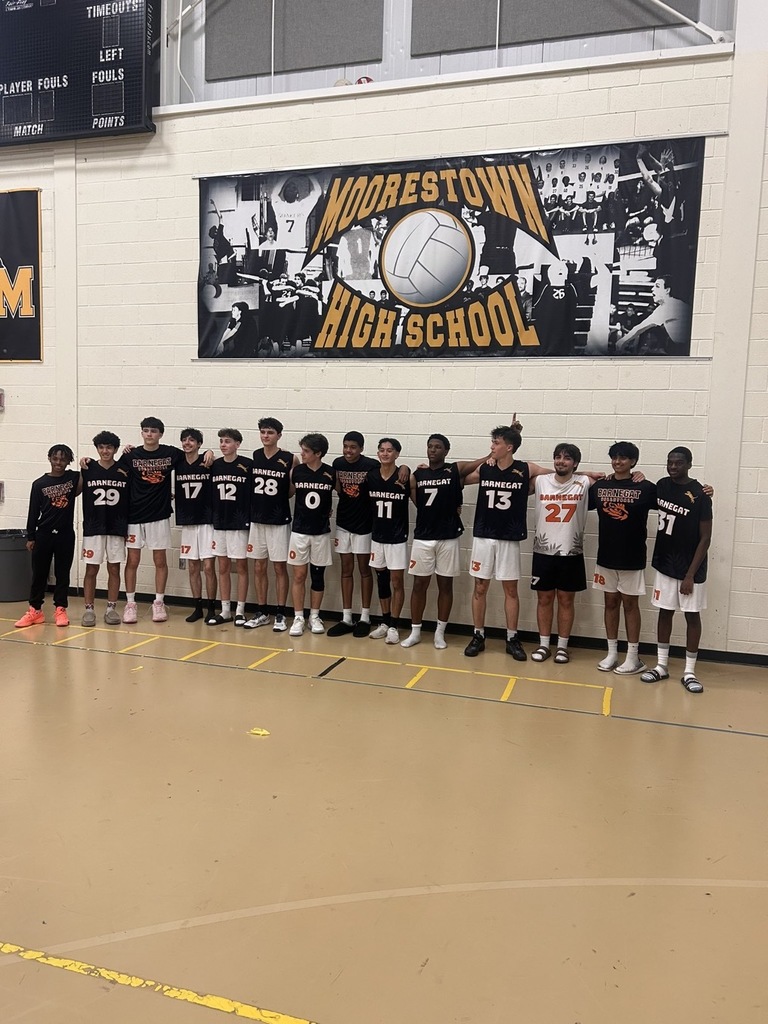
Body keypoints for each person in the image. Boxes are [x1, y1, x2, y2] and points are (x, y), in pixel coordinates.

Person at [462, 423, 550, 661]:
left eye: (496, 443)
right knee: (480, 587)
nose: (492, 446)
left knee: (510, 590)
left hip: (509, 538)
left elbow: (559, 474)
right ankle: (478, 635)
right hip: (483, 536)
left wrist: (588, 474)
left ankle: (512, 637)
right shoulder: (484, 469)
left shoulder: (525, 468)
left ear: (509, 447)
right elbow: (457, 475)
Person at [118, 417, 212, 624]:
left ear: (160, 434)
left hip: (159, 515)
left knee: (160, 561)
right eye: (146, 430)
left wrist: (209, 452)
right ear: (141, 433)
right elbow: (113, 472)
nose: (149, 434)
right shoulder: (131, 455)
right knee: (132, 560)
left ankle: (158, 602)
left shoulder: (171, 453)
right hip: (134, 516)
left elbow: (193, 455)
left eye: (153, 431)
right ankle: (131, 603)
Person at [400, 434, 490, 650]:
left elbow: (483, 460)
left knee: (445, 585)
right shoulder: (418, 474)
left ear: (446, 451)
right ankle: (415, 631)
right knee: (419, 585)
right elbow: (417, 501)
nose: (433, 450)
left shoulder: (454, 470)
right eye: (430, 446)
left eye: (438, 447)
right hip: (423, 536)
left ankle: (440, 633)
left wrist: (508, 437)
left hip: (448, 537)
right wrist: (403, 465)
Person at [641, 447, 713, 694]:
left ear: (689, 464)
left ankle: (690, 671)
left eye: (678, 463)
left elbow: (705, 538)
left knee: (691, 616)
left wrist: (690, 575)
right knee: (665, 612)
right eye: (669, 462)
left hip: (690, 569)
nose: (673, 466)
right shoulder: (661, 485)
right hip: (665, 562)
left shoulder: (700, 495)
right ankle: (661, 666)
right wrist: (638, 475)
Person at [589, 442, 657, 675]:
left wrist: (704, 490)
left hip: (632, 557)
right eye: (614, 458)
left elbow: (674, 496)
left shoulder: (645, 487)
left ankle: (633, 657)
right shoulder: (600, 486)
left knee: (630, 605)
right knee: (610, 603)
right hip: (606, 556)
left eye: (624, 458)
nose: (618, 462)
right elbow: (571, 484)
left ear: (633, 462)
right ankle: (612, 653)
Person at [530, 444, 595, 664]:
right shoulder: (540, 481)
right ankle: (544, 644)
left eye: (567, 458)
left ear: (575, 463)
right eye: (557, 457)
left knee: (566, 600)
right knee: (544, 598)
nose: (561, 461)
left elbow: (614, 479)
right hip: (543, 551)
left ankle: (562, 647)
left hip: (571, 551)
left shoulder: (585, 483)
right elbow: (522, 469)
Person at [15, 445, 81, 629]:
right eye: (55, 458)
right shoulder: (39, 484)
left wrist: (86, 463)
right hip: (43, 534)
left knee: (62, 573)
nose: (58, 462)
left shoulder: (73, 478)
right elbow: (33, 512)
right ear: (50, 459)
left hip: (65, 534)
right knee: (39, 574)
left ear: (69, 461)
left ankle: (60, 609)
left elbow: (89, 475)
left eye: (63, 459)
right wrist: (31, 536)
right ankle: (35, 610)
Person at [244, 417, 297, 632]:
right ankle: (262, 611)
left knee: (279, 567)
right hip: (257, 520)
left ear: (279, 435)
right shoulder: (255, 456)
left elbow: (293, 489)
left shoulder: (289, 458)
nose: (266, 436)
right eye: (263, 432)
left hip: (278, 520)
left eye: (270, 433)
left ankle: (281, 613)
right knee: (258, 566)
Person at [327, 432, 379, 638]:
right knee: (346, 570)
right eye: (346, 446)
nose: (349, 451)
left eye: (353, 447)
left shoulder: (371, 465)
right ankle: (347, 617)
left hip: (364, 525)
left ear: (361, 449)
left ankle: (365, 617)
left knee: (365, 570)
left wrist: (404, 468)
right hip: (343, 523)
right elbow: (336, 488)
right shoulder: (337, 463)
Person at [288, 433, 336, 636]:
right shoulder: (296, 472)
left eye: (306, 451)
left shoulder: (331, 473)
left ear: (318, 453)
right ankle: (298, 616)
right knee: (299, 575)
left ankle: (314, 616)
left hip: (321, 533)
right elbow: (289, 494)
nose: (302, 454)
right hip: (299, 531)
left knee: (318, 576)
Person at [80, 431, 130, 627]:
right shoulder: (88, 467)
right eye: (101, 447)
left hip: (116, 527)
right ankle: (89, 609)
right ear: (97, 449)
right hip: (93, 526)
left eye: (109, 447)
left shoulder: (124, 468)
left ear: (115, 449)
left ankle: (111, 608)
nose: (105, 451)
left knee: (114, 568)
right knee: (91, 568)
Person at [365, 438, 411, 644]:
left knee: (397, 581)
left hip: (397, 537)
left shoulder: (404, 477)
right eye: (382, 450)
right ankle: (384, 622)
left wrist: (406, 467)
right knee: (381, 580)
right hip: (377, 537)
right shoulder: (371, 476)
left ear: (397, 454)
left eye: (390, 450)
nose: (385, 453)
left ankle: (394, 624)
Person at [208, 429, 252, 626]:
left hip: (239, 523)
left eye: (227, 441)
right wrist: (207, 451)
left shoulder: (247, 465)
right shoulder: (214, 465)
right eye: (221, 441)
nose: (223, 444)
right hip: (219, 522)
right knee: (223, 567)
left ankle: (240, 610)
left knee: (241, 566)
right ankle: (225, 610)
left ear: (238, 444)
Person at [175, 428, 216, 624]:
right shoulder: (178, 463)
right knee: (193, 567)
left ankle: (211, 608)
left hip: (207, 520)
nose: (187, 443)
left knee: (208, 567)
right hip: (188, 521)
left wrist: (210, 452)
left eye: (191, 440)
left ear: (199, 444)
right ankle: (197, 607)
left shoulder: (208, 462)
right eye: (184, 440)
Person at [619, 275, 691, 355]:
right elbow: (640, 327)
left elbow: (640, 328)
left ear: (667, 290)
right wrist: (622, 341)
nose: (652, 289)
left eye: (657, 286)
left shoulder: (671, 306)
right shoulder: (663, 308)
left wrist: (621, 342)